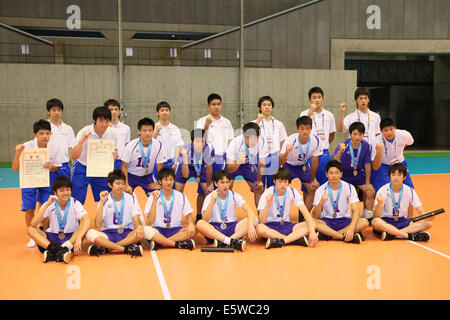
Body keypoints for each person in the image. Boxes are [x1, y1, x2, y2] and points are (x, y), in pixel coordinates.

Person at [12, 119, 64, 247]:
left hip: (45, 179)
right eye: (42, 133)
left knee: (45, 207)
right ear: (35, 134)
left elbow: (57, 167)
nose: (45, 136)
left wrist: (52, 167)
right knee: (29, 209)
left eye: (47, 133)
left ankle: (45, 233)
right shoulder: (26, 146)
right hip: (29, 180)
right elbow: (15, 167)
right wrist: (18, 153)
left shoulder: (55, 147)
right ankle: (32, 235)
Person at [27, 176, 91, 263]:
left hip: (70, 238)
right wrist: (46, 205)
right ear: (55, 192)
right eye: (61, 191)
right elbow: (33, 223)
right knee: (30, 229)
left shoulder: (75, 203)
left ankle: (53, 252)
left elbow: (88, 220)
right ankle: (60, 251)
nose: (65, 193)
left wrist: (79, 238)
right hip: (52, 237)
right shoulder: (50, 203)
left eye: (68, 190)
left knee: (84, 225)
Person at [85, 169, 146, 257]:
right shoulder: (104, 200)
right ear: (110, 185)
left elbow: (136, 219)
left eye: (122, 184)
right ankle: (126, 248)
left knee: (141, 231)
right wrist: (101, 203)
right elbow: (97, 224)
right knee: (90, 233)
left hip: (126, 232)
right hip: (108, 233)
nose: (120, 186)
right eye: (117, 184)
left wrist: (139, 227)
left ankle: (107, 248)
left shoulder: (130, 198)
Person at [256, 168, 319, 249]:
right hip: (270, 226)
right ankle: (294, 239)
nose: (282, 184)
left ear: (288, 182)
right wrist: (268, 205)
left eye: (285, 182)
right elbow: (261, 220)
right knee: (259, 228)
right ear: (274, 181)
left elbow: (305, 211)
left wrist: (312, 231)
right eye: (280, 181)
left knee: (313, 224)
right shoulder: (267, 193)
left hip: (286, 224)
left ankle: (282, 241)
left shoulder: (292, 191)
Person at [196, 170, 258, 251]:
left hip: (232, 228)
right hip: (215, 229)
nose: (225, 185)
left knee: (255, 219)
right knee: (199, 223)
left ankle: (226, 241)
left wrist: (250, 225)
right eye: (222, 182)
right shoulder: (210, 197)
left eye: (227, 182)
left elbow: (248, 209)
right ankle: (231, 241)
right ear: (216, 183)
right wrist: (212, 202)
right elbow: (205, 220)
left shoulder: (233, 195)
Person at [70, 106, 120, 204]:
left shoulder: (113, 134)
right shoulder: (84, 132)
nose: (104, 124)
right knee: (77, 199)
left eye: (107, 121)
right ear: (95, 120)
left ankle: (102, 219)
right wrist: (82, 141)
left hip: (102, 168)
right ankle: (77, 219)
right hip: (82, 166)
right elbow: (74, 156)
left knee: (104, 199)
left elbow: (115, 153)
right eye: (101, 121)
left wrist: (114, 157)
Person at [312, 160, 369, 244]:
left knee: (364, 222)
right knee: (311, 221)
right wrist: (321, 202)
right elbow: (315, 215)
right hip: (326, 221)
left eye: (336, 173)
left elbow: (356, 210)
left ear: (341, 174)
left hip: (345, 221)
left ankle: (328, 235)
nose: (334, 176)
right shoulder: (320, 190)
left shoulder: (349, 187)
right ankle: (343, 236)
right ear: (326, 174)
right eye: (331, 173)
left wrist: (351, 228)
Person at [371, 163, 432, 241]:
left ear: (404, 177)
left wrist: (428, 216)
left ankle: (393, 235)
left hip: (402, 221)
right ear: (389, 176)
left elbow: (421, 211)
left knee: (428, 224)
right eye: (393, 175)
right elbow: (376, 216)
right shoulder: (382, 190)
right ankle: (408, 235)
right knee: (375, 222)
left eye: (399, 175)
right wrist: (379, 204)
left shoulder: (409, 190)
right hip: (386, 221)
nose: (396, 178)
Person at [143, 168, 196, 250]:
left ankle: (161, 243)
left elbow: (189, 217)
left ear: (174, 181)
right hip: (158, 230)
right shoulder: (153, 197)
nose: (169, 182)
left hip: (176, 230)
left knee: (193, 231)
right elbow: (150, 221)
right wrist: (155, 200)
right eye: (165, 180)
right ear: (160, 181)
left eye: (171, 179)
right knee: (145, 230)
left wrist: (191, 224)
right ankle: (176, 244)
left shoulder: (181, 196)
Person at [333, 122, 375, 220]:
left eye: (360, 134)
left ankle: (367, 217)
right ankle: (346, 217)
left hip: (358, 175)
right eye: (354, 134)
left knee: (370, 192)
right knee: (343, 195)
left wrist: (368, 183)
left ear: (363, 135)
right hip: (344, 175)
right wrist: (339, 151)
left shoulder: (365, 145)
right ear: (350, 134)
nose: (357, 137)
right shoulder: (343, 145)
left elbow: (367, 164)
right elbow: (334, 163)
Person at [280, 116, 322, 212]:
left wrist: (312, 180)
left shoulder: (316, 140)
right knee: (281, 188)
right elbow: (281, 162)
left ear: (311, 129)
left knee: (312, 188)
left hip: (303, 166)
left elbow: (315, 161)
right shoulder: (290, 140)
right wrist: (286, 152)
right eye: (302, 128)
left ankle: (304, 216)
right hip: (288, 166)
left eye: (307, 128)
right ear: (297, 129)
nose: (305, 131)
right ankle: (281, 214)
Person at [175, 129, 215, 221]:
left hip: (202, 169)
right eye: (197, 142)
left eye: (202, 141)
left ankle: (204, 217)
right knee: (177, 193)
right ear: (191, 142)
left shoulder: (209, 148)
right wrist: (185, 158)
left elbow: (209, 167)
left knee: (209, 192)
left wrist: (209, 184)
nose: (200, 144)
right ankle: (175, 218)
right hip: (187, 167)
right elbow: (185, 175)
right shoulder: (186, 150)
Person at [121, 117, 167, 196]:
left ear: (153, 131)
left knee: (158, 195)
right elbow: (124, 166)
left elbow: (160, 167)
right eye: (144, 130)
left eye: (150, 130)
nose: (147, 133)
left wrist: (160, 183)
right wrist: (126, 184)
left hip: (147, 176)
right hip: (131, 176)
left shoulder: (158, 145)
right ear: (139, 131)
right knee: (126, 196)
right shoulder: (131, 145)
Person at [300, 87, 336, 185]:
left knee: (324, 182)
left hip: (324, 153)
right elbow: (303, 129)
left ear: (323, 98)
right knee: (308, 184)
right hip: (309, 153)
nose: (317, 100)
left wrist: (322, 145)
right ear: (310, 99)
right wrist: (310, 113)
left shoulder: (329, 115)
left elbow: (332, 135)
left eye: (319, 97)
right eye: (314, 97)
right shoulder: (304, 114)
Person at [226, 122, 267, 207]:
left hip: (247, 164)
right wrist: (238, 162)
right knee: (226, 188)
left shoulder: (262, 141)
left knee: (259, 189)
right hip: (234, 163)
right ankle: (226, 216)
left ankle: (261, 217)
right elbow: (230, 168)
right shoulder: (235, 143)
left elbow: (261, 163)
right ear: (244, 136)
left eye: (256, 138)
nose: (253, 141)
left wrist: (259, 180)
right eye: (250, 138)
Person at [370, 117, 415, 192]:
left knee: (410, 190)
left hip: (400, 163)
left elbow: (409, 143)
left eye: (391, 129)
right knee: (383, 191)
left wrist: (400, 149)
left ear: (395, 128)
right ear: (381, 131)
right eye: (386, 130)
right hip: (383, 165)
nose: (389, 133)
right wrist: (379, 152)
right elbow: (375, 167)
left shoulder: (404, 134)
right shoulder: (376, 142)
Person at [254, 96, 288, 188]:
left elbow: (282, 141)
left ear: (272, 107)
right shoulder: (255, 123)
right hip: (259, 157)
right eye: (264, 105)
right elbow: (250, 138)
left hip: (274, 157)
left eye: (269, 105)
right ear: (259, 108)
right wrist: (258, 121)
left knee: (273, 186)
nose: (267, 107)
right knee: (259, 186)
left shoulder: (278, 124)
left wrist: (279, 155)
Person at [196, 93, 234, 174]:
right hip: (208, 158)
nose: (216, 107)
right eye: (213, 104)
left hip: (223, 158)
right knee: (207, 184)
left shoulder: (227, 122)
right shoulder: (201, 121)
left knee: (222, 184)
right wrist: (206, 126)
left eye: (218, 104)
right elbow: (198, 140)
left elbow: (230, 141)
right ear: (208, 106)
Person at [46, 98, 75, 178]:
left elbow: (71, 149)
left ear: (62, 111)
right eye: (53, 110)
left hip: (64, 166)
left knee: (64, 190)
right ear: (48, 111)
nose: (56, 112)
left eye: (59, 110)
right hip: (48, 166)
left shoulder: (68, 128)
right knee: (48, 190)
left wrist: (73, 167)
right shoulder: (43, 127)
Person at [152, 101, 184, 171]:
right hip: (158, 162)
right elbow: (149, 144)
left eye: (167, 110)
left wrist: (176, 162)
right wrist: (156, 132)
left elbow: (179, 146)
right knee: (158, 181)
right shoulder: (153, 127)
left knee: (171, 182)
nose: (164, 112)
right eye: (162, 110)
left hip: (172, 162)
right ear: (157, 113)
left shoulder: (175, 128)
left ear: (169, 112)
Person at [104, 99, 131, 170]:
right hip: (106, 160)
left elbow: (127, 145)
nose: (113, 112)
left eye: (116, 109)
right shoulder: (102, 128)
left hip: (121, 161)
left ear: (119, 111)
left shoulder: (126, 128)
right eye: (111, 109)